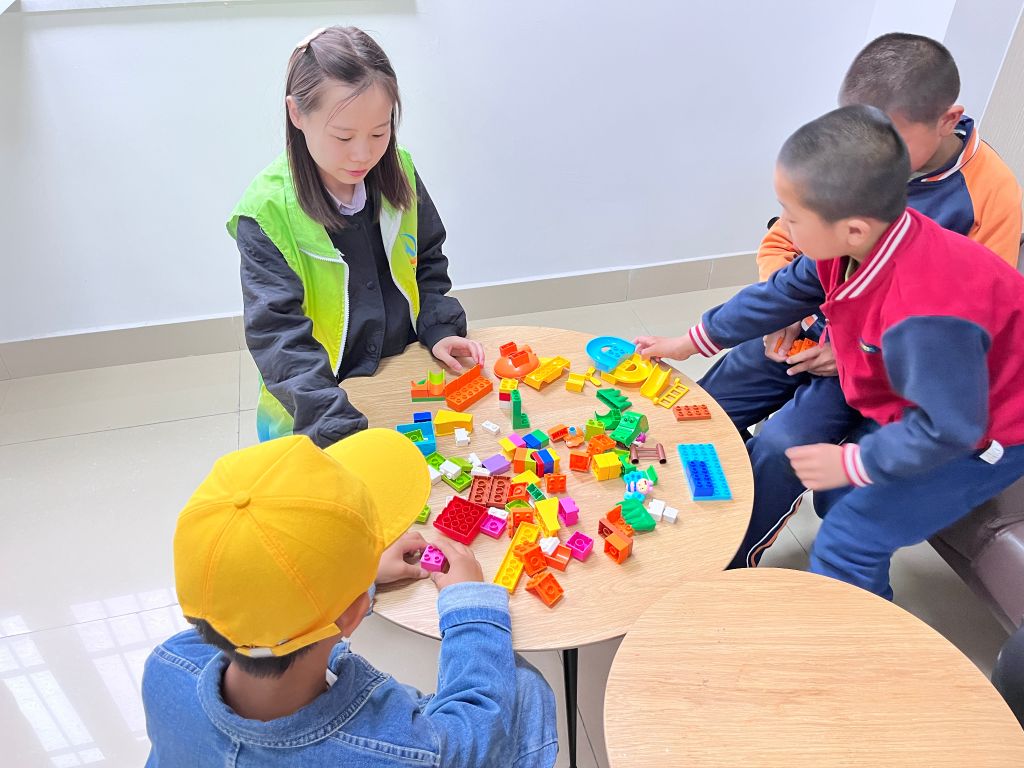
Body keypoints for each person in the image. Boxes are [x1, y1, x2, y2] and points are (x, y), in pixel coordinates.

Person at [636, 105, 1024, 599]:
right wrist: (687, 342)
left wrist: (852, 463)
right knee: (747, 409)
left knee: (850, 536)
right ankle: (720, 555)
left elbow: (948, 427)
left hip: (985, 430)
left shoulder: (925, 314)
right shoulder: (852, 247)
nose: (783, 225)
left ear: (854, 229)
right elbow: (778, 294)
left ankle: (861, 638)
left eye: (794, 217)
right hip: (915, 390)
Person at [141, 429, 559, 766]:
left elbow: (263, 608)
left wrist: (353, 577)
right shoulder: (405, 753)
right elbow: (479, 725)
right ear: (352, 616)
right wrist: (469, 605)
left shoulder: (166, 664)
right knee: (526, 689)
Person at [228, 26, 484, 447]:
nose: (363, 154)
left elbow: (427, 259)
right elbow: (279, 338)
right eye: (343, 137)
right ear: (297, 114)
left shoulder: (398, 171)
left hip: (400, 376)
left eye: (380, 133)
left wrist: (439, 327)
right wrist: (334, 425)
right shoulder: (266, 213)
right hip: (317, 412)